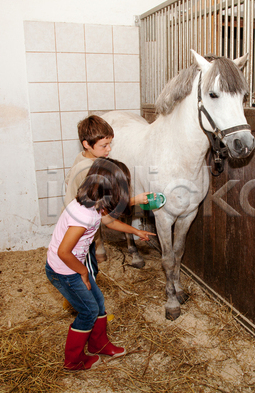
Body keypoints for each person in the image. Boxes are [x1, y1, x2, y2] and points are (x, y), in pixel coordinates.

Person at [46, 158, 156, 370]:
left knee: (98, 303)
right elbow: (63, 252)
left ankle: (99, 344)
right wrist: (83, 273)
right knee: (88, 312)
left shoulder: (93, 204)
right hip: (65, 270)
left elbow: (108, 221)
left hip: (73, 267)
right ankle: (73, 360)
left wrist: (136, 231)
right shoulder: (83, 215)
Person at [64, 115, 151, 265]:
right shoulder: (90, 169)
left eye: (110, 144)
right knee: (84, 269)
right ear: (86, 144)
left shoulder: (81, 158)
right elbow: (106, 208)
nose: (109, 149)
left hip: (75, 221)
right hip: (80, 231)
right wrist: (136, 200)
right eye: (104, 145)